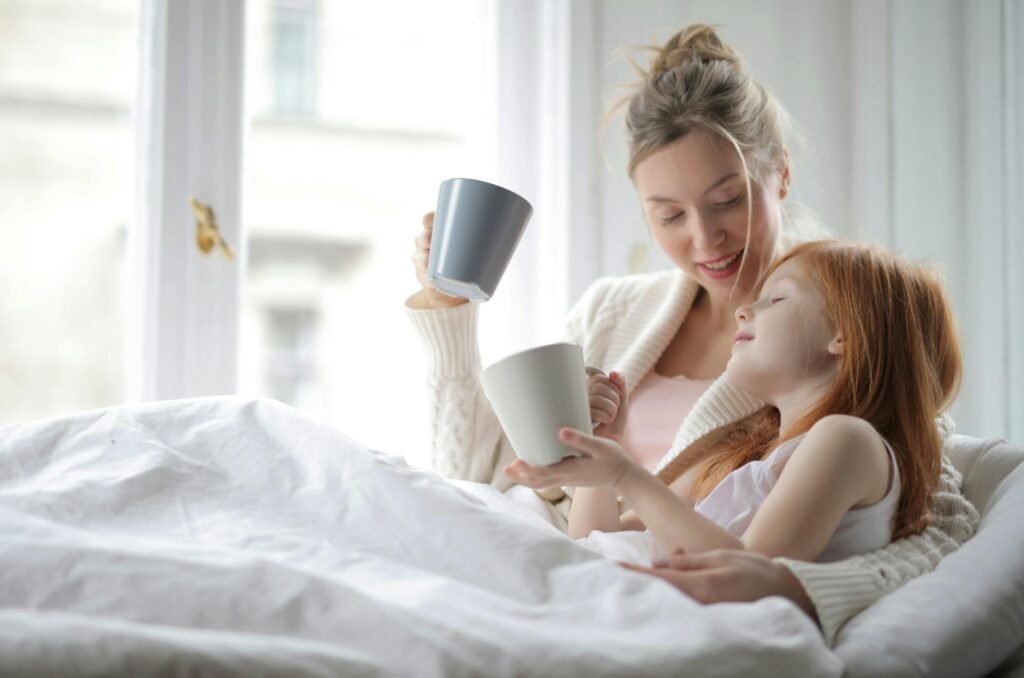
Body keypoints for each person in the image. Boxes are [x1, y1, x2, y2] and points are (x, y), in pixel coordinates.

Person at [405, 24, 978, 644]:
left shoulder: (845, 327)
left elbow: (935, 524)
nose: (704, 240)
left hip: (651, 603)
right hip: (563, 565)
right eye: (670, 215)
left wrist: (795, 590)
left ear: (780, 174)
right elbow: (471, 476)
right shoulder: (612, 310)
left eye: (728, 200)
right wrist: (449, 312)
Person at [504, 240, 960, 570]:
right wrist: (604, 451)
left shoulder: (847, 439)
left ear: (844, 336)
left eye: (776, 299)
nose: (745, 310)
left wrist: (626, 475)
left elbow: (752, 572)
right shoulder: (742, 455)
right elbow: (594, 544)